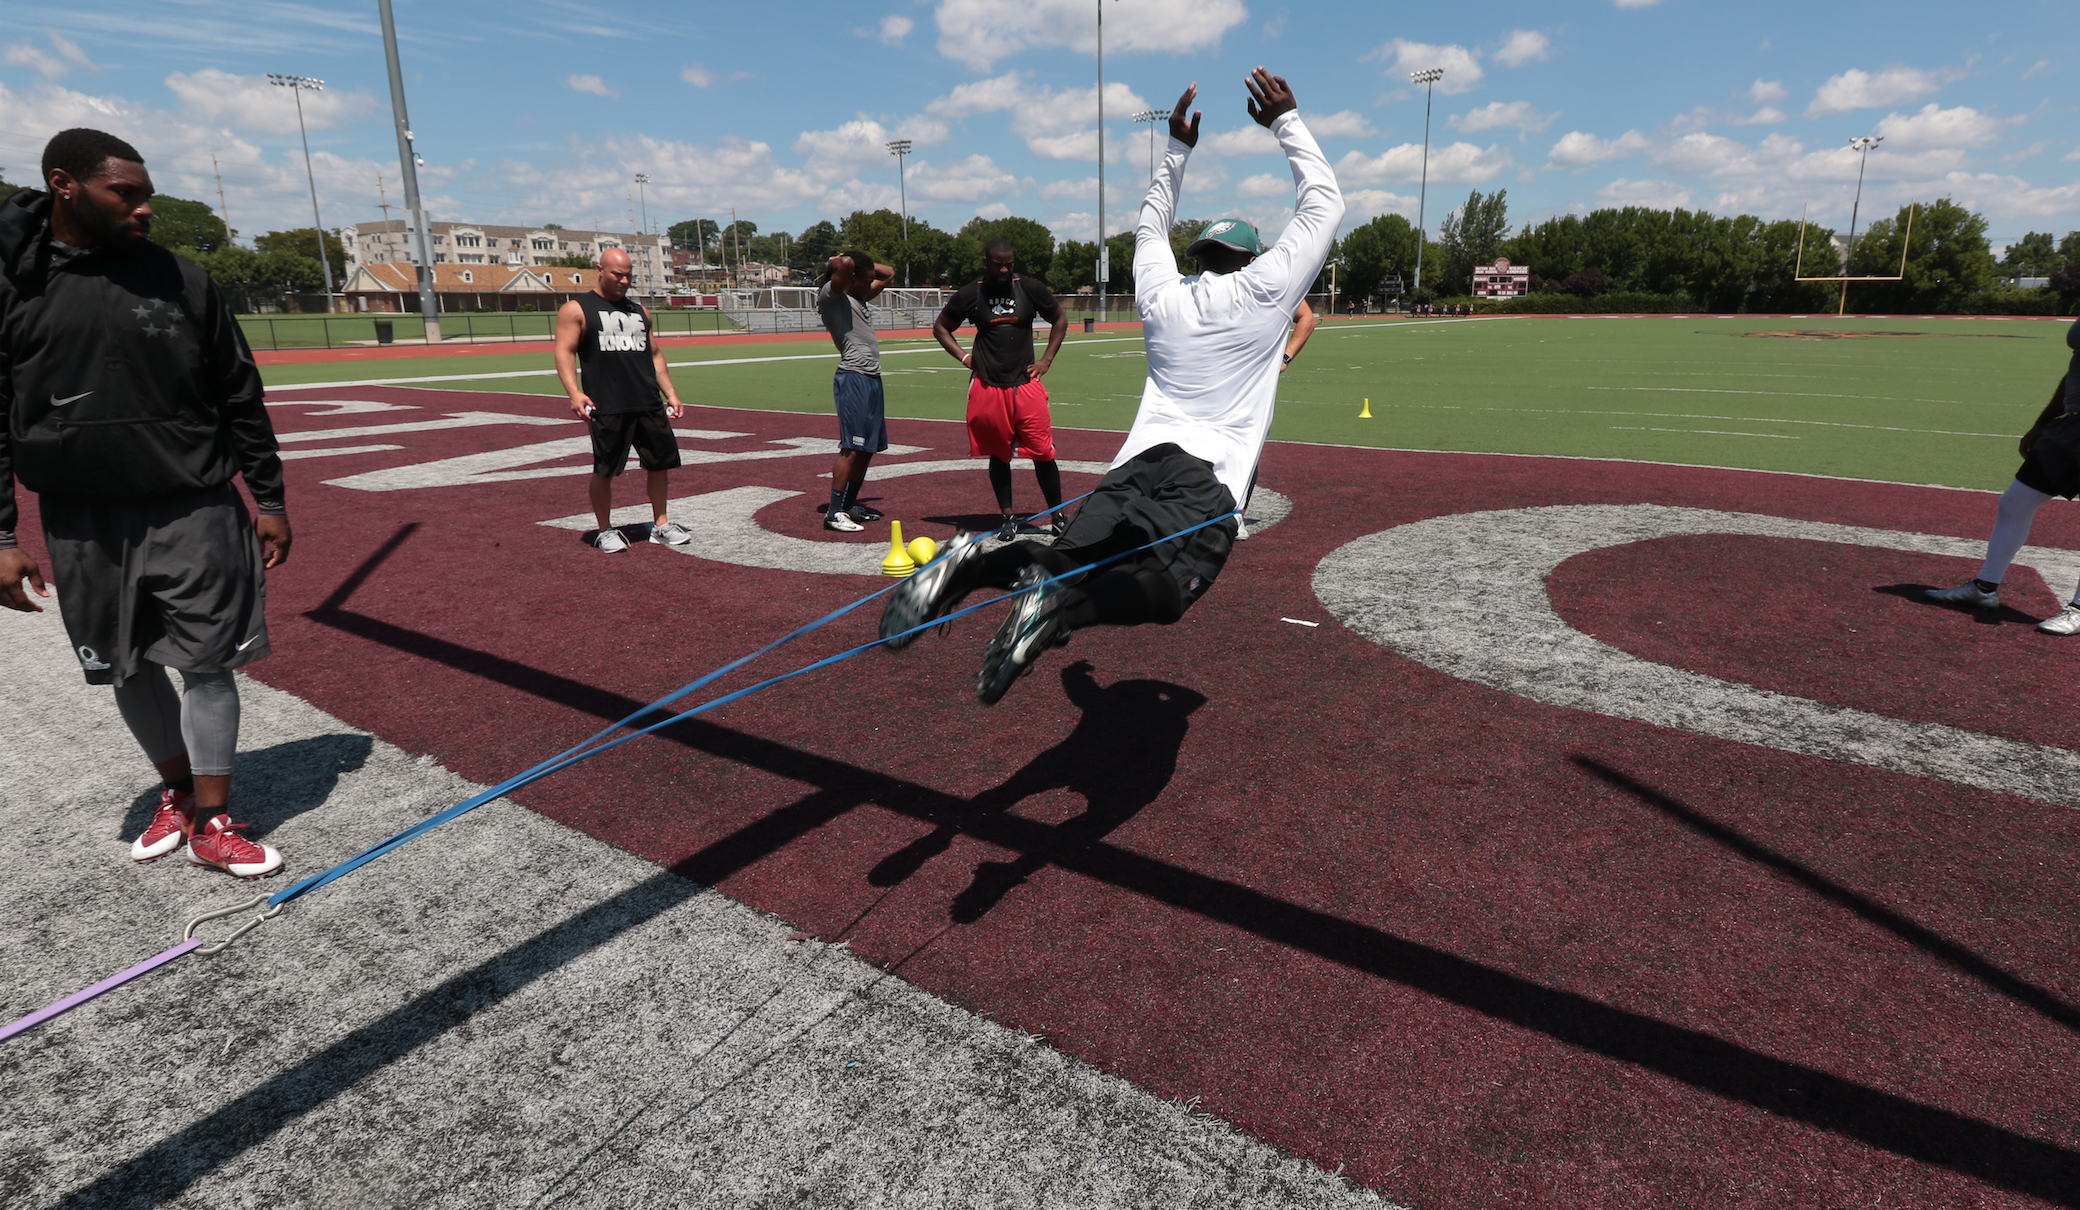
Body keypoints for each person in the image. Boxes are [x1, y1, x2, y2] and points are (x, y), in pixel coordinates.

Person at [880, 68, 1342, 703]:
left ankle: (977, 561)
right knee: (1166, 592)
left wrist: (1177, 150)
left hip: (1136, 462)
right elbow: (1325, 202)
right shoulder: (1267, 291)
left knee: (1069, 563)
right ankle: (1060, 612)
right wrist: (1286, 119)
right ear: (1252, 259)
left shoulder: (1158, 290)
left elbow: (1150, 226)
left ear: (1199, 254)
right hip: (1206, 475)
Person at [0, 128, 287, 878]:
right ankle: (180, 792)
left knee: (207, 662)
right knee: (125, 666)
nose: (145, 208)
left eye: (146, 192)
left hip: (192, 503)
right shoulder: (12, 284)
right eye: (125, 193)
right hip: (81, 519)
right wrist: (1, 535)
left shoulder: (183, 279)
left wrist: (270, 495)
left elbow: (240, 394)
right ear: (64, 184)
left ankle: (216, 821)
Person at [1927, 327, 2080, 632]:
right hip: (2070, 426)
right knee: (2015, 503)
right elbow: (2074, 370)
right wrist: (2042, 423)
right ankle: (1984, 588)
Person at [553, 247, 689, 553]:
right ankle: (604, 529)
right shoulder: (577, 309)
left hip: (647, 402)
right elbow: (564, 352)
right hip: (608, 405)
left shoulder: (639, 311)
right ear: (600, 271)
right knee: (605, 470)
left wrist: (671, 393)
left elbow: (654, 354)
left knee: (659, 465)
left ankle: (661, 524)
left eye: (629, 275)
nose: (624, 280)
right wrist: (574, 393)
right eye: (618, 274)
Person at [933, 238, 1069, 541]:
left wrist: (1046, 360)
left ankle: (1058, 515)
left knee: (1044, 453)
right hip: (989, 387)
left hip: (1026, 385)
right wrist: (965, 357)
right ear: (986, 262)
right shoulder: (972, 292)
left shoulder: (1029, 288)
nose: (1005, 269)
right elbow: (941, 327)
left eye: (1009, 263)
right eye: (998, 264)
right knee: (999, 454)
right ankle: (1008, 517)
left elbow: (1059, 318)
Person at [817, 250, 895, 532]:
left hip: (871, 378)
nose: (871, 285)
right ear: (850, 277)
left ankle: (848, 505)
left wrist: (865, 268)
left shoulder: (857, 295)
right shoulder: (832, 296)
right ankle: (833, 512)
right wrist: (836, 260)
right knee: (851, 448)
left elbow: (888, 273)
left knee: (867, 450)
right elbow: (847, 264)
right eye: (866, 280)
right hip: (853, 378)